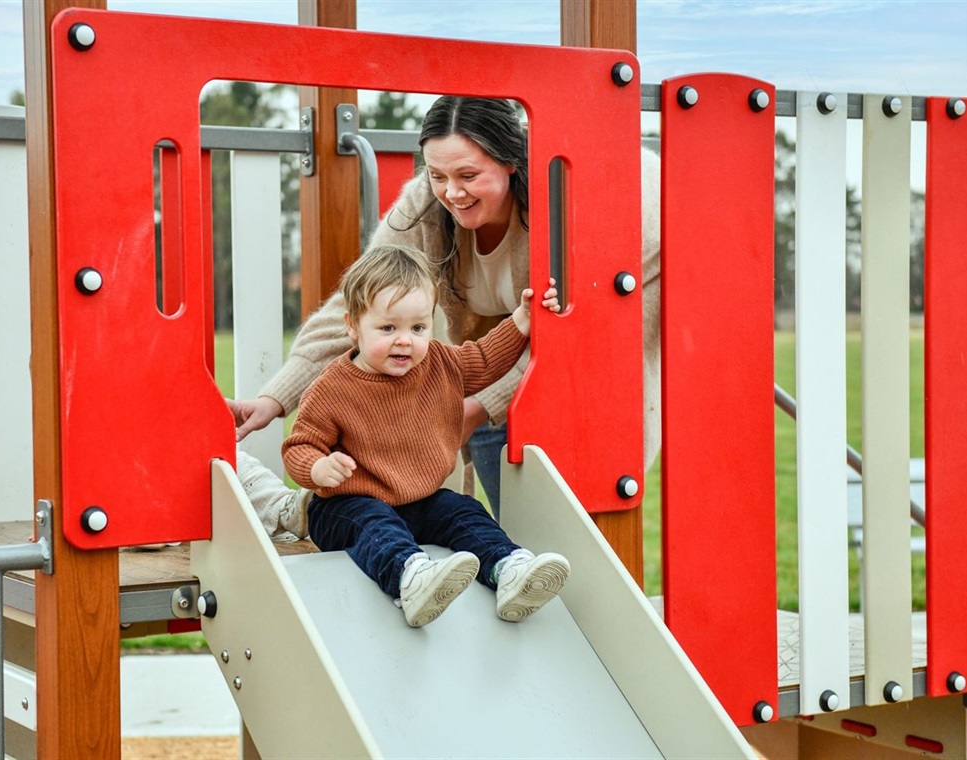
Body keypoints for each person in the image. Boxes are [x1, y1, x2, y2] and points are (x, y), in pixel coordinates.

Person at [231, 96, 663, 521]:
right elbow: (361, 300)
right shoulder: (426, 205)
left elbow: (578, 330)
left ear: (511, 161)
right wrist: (275, 397)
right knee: (494, 491)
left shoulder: (567, 203)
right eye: (438, 175)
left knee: (547, 492)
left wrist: (476, 408)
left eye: (468, 175)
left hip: (596, 343)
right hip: (498, 355)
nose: (452, 192)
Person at [282, 244, 569, 627]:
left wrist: (521, 320)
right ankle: (409, 579)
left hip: (417, 500)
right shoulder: (333, 388)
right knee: (374, 522)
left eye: (418, 328)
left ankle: (507, 569)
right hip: (345, 507)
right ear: (352, 326)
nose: (405, 340)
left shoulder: (439, 363)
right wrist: (318, 467)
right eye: (388, 328)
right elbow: (300, 444)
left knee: (462, 510)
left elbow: (483, 360)